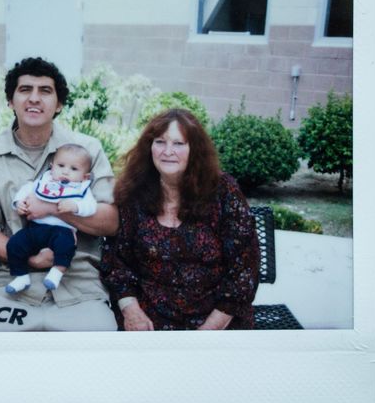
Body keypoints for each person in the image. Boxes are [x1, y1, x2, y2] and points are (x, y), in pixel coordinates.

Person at [0, 57, 119, 331]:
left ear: (59, 104)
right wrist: (30, 259)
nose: (34, 98)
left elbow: (110, 221)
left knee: (100, 361)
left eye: (45, 91)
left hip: (79, 284)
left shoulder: (88, 151)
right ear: (10, 100)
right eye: (25, 89)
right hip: (8, 284)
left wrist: (51, 208)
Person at [101, 108, 259, 330]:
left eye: (179, 144)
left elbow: (245, 268)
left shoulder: (223, 191)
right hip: (149, 319)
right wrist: (131, 311)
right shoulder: (133, 193)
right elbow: (118, 263)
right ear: (149, 148)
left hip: (216, 318)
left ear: (194, 150)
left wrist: (210, 330)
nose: (168, 151)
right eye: (160, 142)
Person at [5, 143, 97, 294]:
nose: (66, 172)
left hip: (62, 229)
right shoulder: (44, 181)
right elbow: (27, 189)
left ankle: (56, 272)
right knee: (14, 244)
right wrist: (18, 203)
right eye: (61, 165)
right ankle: (21, 276)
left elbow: (91, 207)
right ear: (51, 166)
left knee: (66, 245)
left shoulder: (80, 189)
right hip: (36, 228)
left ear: (85, 176)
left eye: (74, 169)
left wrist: (76, 207)